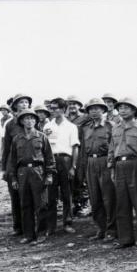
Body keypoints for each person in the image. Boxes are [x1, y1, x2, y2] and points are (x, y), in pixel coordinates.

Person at [108, 97, 137, 249]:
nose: (122, 110)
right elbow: (111, 150)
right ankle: (126, 239)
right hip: (120, 165)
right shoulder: (115, 128)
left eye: (126, 107)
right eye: (120, 107)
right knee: (122, 203)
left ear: (134, 110)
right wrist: (112, 168)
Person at [8, 109, 55, 245]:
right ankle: (29, 235)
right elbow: (13, 161)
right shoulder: (17, 139)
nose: (29, 121)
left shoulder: (41, 137)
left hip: (38, 171)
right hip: (22, 173)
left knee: (41, 204)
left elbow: (49, 158)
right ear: (22, 121)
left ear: (35, 121)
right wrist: (14, 179)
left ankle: (41, 234)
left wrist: (49, 174)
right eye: (26, 119)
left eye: (32, 118)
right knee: (25, 204)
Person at [41, 97, 80, 236]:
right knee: (51, 195)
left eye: (56, 107)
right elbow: (44, 148)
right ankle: (51, 226)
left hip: (65, 160)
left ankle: (67, 223)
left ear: (63, 109)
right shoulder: (47, 126)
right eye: (51, 108)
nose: (53, 110)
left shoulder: (71, 127)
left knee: (66, 193)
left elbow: (75, 147)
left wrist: (73, 166)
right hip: (51, 161)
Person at [80, 98, 117, 241]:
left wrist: (112, 164)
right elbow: (83, 150)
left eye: (97, 108)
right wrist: (82, 169)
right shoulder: (86, 128)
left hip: (106, 161)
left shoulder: (111, 126)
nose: (94, 111)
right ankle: (101, 229)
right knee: (95, 199)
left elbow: (115, 146)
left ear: (103, 110)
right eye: (91, 109)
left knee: (109, 198)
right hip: (90, 162)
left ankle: (112, 230)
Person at [2, 93, 32, 236]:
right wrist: (5, 169)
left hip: (31, 164)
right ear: (14, 106)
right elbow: (6, 148)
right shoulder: (10, 124)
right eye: (21, 102)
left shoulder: (33, 120)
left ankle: (32, 226)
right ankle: (18, 227)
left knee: (31, 196)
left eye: (26, 102)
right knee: (15, 196)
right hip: (14, 164)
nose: (24, 104)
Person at [66, 95, 91, 217]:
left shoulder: (85, 118)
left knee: (81, 178)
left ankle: (85, 205)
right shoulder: (64, 119)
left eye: (75, 104)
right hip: (68, 151)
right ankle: (77, 204)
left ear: (79, 106)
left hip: (81, 151)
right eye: (70, 104)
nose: (72, 106)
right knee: (71, 180)